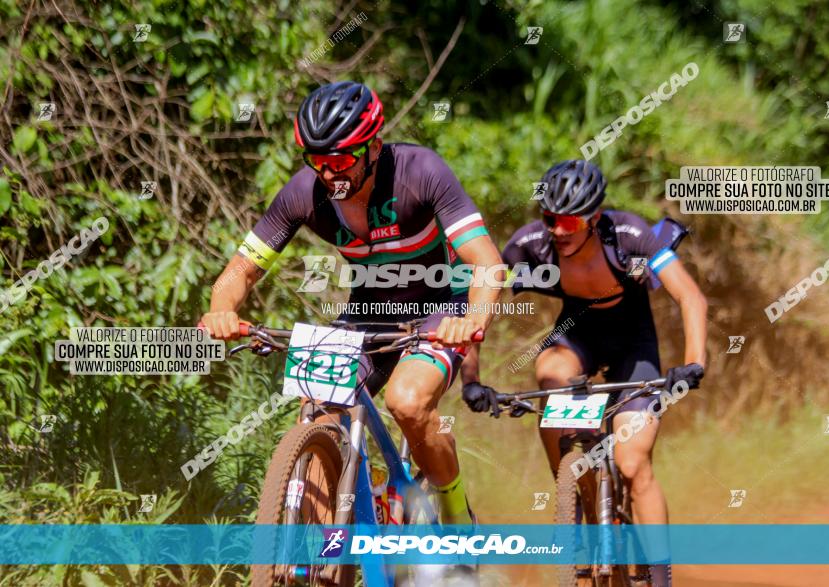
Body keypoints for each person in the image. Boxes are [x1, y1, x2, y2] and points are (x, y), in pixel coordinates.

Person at [200, 81, 504, 528]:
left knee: (408, 401)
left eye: (340, 160)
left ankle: (458, 511)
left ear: (374, 147)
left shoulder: (420, 172)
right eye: (318, 161)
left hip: (439, 307)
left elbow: (487, 263)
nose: (329, 173)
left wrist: (473, 319)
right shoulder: (305, 193)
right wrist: (222, 307)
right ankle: (329, 556)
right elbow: (239, 270)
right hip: (368, 313)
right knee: (317, 401)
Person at [460, 159, 707, 586]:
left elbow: (691, 298)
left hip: (635, 345)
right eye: (550, 218)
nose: (557, 229)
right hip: (577, 336)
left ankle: (662, 578)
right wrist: (471, 377)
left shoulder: (629, 235)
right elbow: (482, 300)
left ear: (594, 218)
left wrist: (693, 363)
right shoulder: (532, 245)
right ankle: (575, 496)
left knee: (633, 463)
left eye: (569, 221)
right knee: (549, 371)